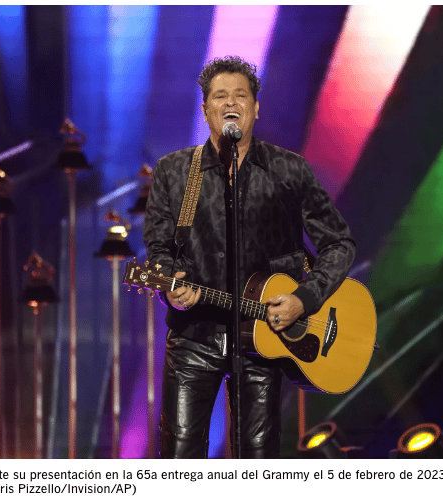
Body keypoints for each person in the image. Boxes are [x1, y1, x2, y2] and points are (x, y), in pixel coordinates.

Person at [143, 55, 356, 458]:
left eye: (240, 95)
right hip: (194, 339)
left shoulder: (288, 170)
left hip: (265, 341)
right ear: (205, 109)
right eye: (220, 96)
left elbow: (338, 244)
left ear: (256, 108)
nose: (230, 103)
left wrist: (304, 299)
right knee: (179, 457)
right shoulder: (174, 172)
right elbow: (158, 250)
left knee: (258, 460)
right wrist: (170, 286)